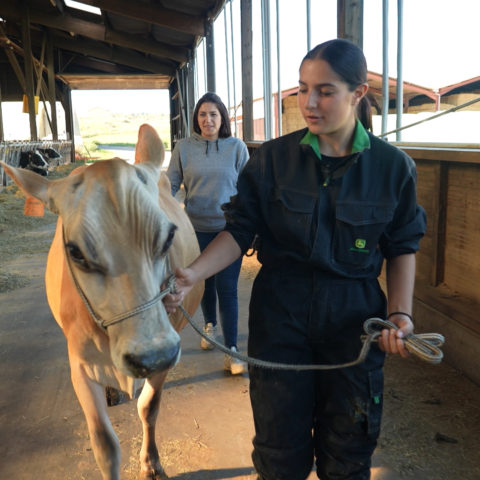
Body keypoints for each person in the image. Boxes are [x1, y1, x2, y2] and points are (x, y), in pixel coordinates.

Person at [165, 39, 426, 480]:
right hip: (279, 313)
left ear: (358, 93)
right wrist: (193, 274)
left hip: (353, 320)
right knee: (279, 451)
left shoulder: (392, 168)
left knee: (349, 451)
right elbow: (238, 231)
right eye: (303, 89)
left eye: (325, 91)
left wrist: (399, 314)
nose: (309, 102)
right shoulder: (272, 161)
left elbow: (402, 246)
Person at [166, 92, 249, 375]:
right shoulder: (184, 148)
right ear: (196, 118)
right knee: (203, 284)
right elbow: (171, 184)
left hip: (229, 231)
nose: (208, 119)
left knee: (227, 288)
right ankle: (209, 326)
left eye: (214, 114)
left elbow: (249, 187)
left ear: (223, 118)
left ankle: (232, 351)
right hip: (195, 230)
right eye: (203, 114)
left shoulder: (236, 148)